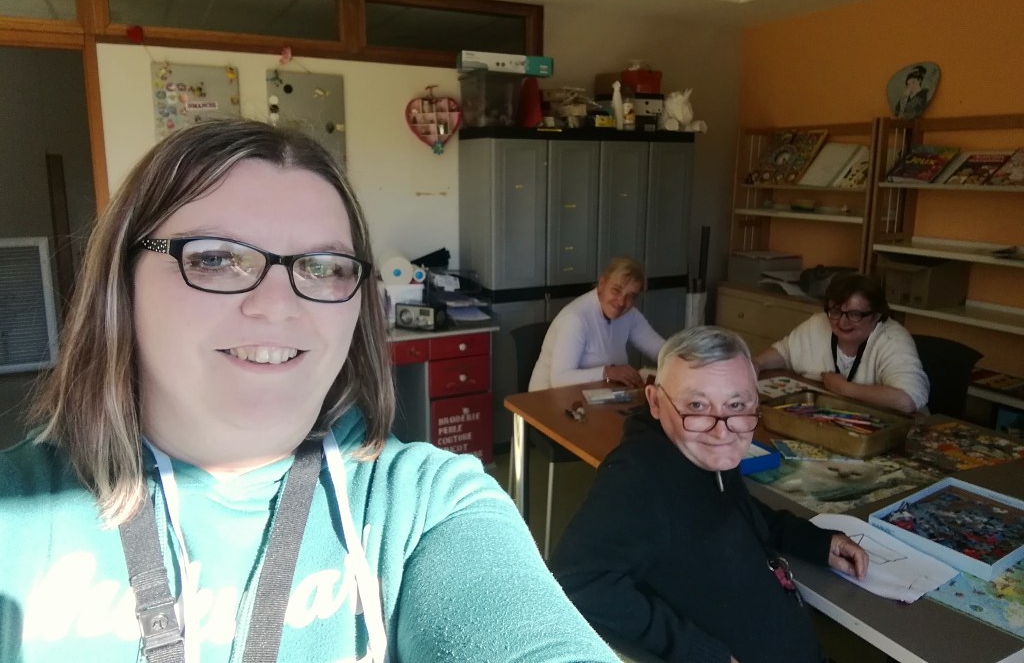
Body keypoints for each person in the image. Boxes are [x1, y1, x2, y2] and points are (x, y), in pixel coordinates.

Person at [0, 119, 620, 663]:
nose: (278, 305)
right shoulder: (18, 519)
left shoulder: (427, 507)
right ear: (122, 283)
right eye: (215, 258)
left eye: (323, 268)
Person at [550, 326, 868, 663]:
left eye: (736, 404)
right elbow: (576, 581)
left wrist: (814, 541)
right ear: (656, 402)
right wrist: (699, 653)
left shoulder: (704, 453)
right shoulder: (638, 479)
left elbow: (737, 509)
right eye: (697, 405)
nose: (721, 430)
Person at [752, 273, 928, 414]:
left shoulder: (893, 339)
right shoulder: (818, 323)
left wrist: (845, 389)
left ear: (876, 315)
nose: (842, 322)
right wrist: (757, 363)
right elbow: (784, 352)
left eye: (854, 315)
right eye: (836, 312)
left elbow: (907, 400)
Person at [529, 257, 665, 390]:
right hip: (547, 397)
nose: (621, 302)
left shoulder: (630, 315)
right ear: (602, 284)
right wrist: (607, 372)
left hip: (596, 395)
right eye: (616, 290)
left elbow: (661, 351)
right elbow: (559, 379)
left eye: (631, 296)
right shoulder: (575, 319)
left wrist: (676, 361)